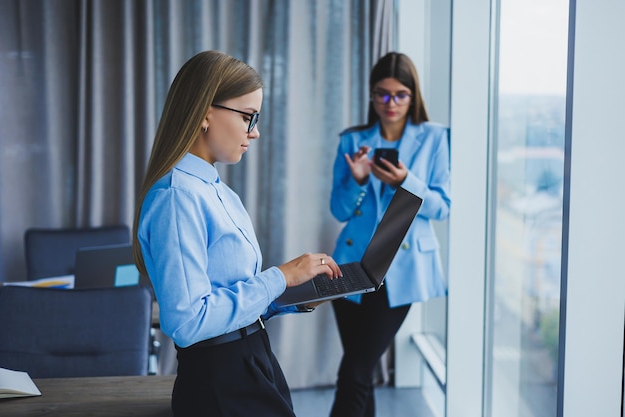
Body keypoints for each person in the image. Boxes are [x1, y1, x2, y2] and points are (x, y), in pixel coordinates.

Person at [132, 50, 341, 417]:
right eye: (248, 117)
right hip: (220, 381)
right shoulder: (176, 197)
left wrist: (288, 295)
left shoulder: (216, 190)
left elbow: (226, 296)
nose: (255, 131)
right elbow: (188, 322)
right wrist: (279, 276)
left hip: (252, 362)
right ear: (204, 114)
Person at [328, 52, 450, 417]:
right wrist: (359, 181)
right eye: (381, 94)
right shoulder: (352, 141)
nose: (390, 103)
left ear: (413, 96)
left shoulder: (435, 138)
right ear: (371, 94)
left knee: (354, 372)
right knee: (359, 373)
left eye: (400, 95)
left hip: (402, 268)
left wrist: (406, 182)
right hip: (350, 266)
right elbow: (339, 210)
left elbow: (442, 207)